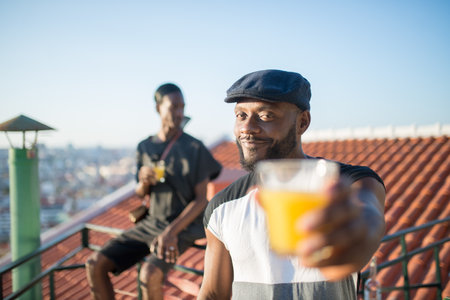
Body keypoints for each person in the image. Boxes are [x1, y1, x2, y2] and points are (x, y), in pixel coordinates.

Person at [198, 69, 385, 300]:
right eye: (241, 115)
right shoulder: (221, 206)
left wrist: (361, 234)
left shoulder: (348, 183)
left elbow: (368, 213)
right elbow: (213, 293)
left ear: (302, 122)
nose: (247, 127)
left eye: (266, 116)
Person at [86, 83, 222, 300]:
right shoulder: (145, 147)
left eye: (182, 107)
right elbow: (141, 194)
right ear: (158, 108)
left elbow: (200, 200)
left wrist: (171, 232)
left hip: (183, 225)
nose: (179, 113)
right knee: (95, 264)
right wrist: (143, 182)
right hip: (152, 223)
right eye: (173, 107)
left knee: (149, 274)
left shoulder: (195, 147)